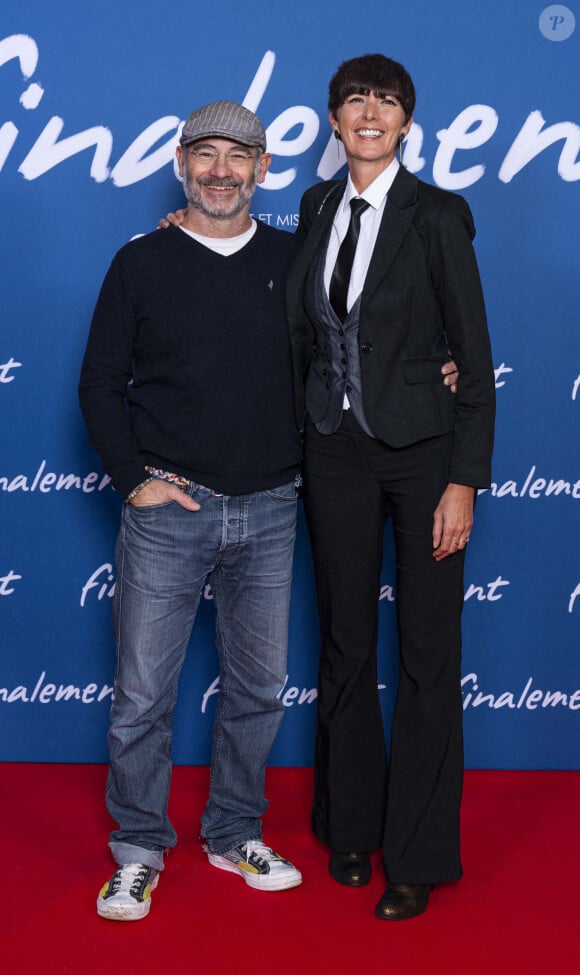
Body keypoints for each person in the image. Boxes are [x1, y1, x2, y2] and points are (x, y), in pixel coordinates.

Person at [78, 101, 306, 921]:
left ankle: (232, 830)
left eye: (236, 157)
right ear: (181, 165)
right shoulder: (140, 262)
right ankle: (138, 848)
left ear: (263, 169)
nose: (220, 170)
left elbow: (361, 339)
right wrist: (133, 478)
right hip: (170, 507)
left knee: (257, 689)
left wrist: (444, 364)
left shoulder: (296, 256)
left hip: (274, 506)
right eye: (204, 155)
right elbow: (99, 382)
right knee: (142, 694)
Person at [285, 54, 495, 920]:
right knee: (342, 643)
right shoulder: (315, 206)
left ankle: (415, 852)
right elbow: (307, 330)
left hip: (421, 457)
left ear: (408, 122)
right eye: (355, 100)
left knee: (426, 655)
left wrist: (464, 481)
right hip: (333, 451)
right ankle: (349, 823)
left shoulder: (439, 214)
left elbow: (475, 361)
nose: (370, 112)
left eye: (388, 101)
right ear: (334, 121)